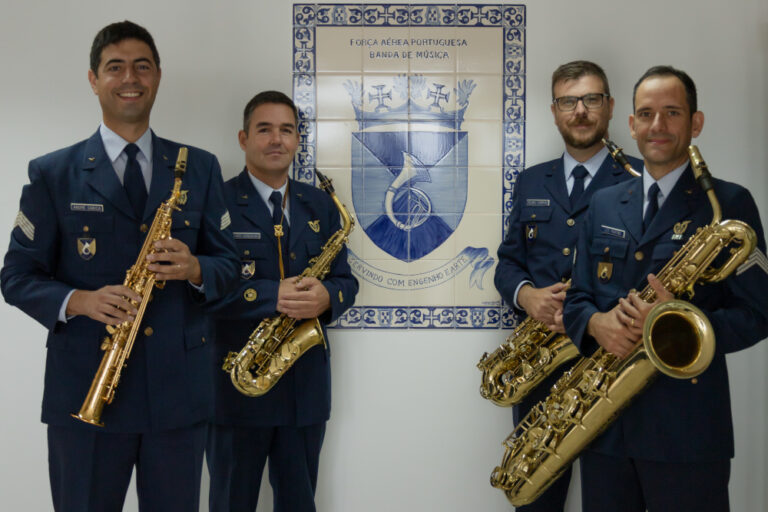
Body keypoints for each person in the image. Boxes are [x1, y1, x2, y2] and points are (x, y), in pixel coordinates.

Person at [0, 21, 239, 511]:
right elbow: (16, 277)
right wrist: (81, 301)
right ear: (94, 79)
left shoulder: (200, 167)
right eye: (115, 67)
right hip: (85, 389)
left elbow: (232, 267)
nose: (130, 77)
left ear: (157, 77)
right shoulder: (52, 173)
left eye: (142, 66)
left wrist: (196, 268)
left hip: (177, 397)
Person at [563, 66, 768, 511]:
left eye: (672, 113)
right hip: (604, 432)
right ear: (632, 124)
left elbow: (758, 313)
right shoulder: (600, 203)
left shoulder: (729, 204)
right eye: (647, 114)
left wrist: (683, 325)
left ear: (695, 123)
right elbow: (577, 298)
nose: (658, 126)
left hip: (689, 436)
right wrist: (596, 323)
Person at [494, 60, 640, 511]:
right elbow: (506, 264)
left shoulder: (640, 179)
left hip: (610, 368)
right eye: (568, 101)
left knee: (612, 500)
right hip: (538, 369)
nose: (580, 111)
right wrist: (527, 295)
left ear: (610, 107)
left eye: (591, 99)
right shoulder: (531, 180)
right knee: (535, 500)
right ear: (553, 110)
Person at [205, 91, 358, 512]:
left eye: (286, 130)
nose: (277, 140)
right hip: (236, 389)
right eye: (265, 129)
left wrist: (329, 296)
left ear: (297, 140)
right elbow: (199, 290)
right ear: (243, 138)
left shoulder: (320, 203)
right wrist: (273, 295)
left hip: (303, 390)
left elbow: (346, 279)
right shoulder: (213, 202)